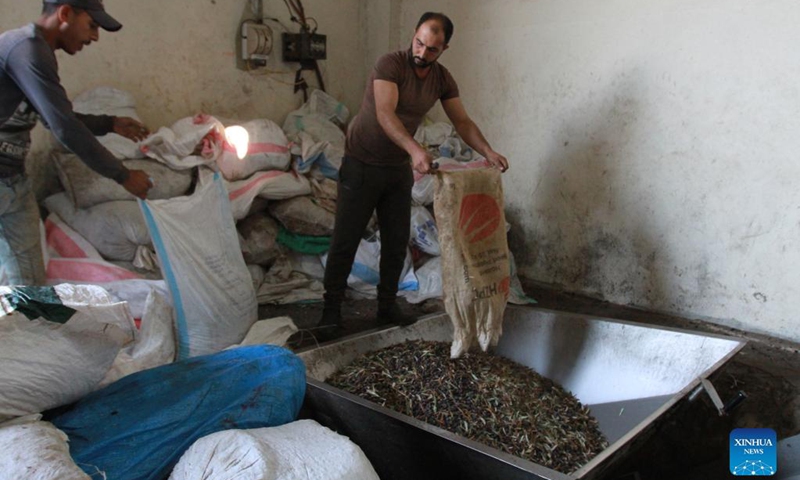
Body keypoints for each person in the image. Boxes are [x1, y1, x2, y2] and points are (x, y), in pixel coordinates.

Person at [318, 12, 509, 335]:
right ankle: (330, 312)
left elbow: (462, 121)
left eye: (432, 49)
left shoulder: (442, 79)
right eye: (419, 43)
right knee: (345, 239)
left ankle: (386, 306)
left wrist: (487, 152)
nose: (421, 52)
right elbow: (385, 113)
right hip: (362, 164)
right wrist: (415, 150)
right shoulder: (390, 65)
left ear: (444, 49)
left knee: (396, 242)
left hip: (396, 169)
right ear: (413, 35)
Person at [0, 0, 152, 286]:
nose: (95, 37)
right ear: (65, 13)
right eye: (92, 25)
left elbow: (55, 117)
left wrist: (109, 124)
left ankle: (29, 315)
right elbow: (64, 127)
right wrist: (122, 174)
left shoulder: (37, 51)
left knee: (30, 286)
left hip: (11, 180)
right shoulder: (26, 48)